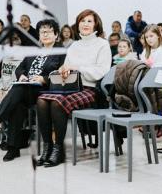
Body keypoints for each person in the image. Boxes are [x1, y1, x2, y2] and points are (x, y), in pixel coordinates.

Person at [36, 9, 111, 167]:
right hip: (69, 86)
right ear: (78, 24)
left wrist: (78, 68)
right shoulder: (74, 46)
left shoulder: (102, 44)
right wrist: (63, 70)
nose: (85, 24)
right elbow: (66, 65)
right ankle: (47, 147)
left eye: (89, 21)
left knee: (57, 103)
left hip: (90, 89)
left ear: (96, 24)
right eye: (82, 21)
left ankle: (58, 149)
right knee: (41, 100)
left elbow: (101, 72)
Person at [0, 19, 64, 162]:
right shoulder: (33, 51)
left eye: (49, 31)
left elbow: (61, 74)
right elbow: (20, 67)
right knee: (17, 104)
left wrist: (43, 79)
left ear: (56, 35)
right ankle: (13, 148)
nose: (45, 34)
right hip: (27, 89)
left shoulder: (61, 52)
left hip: (46, 90)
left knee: (18, 89)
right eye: (42, 31)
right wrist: (21, 75)